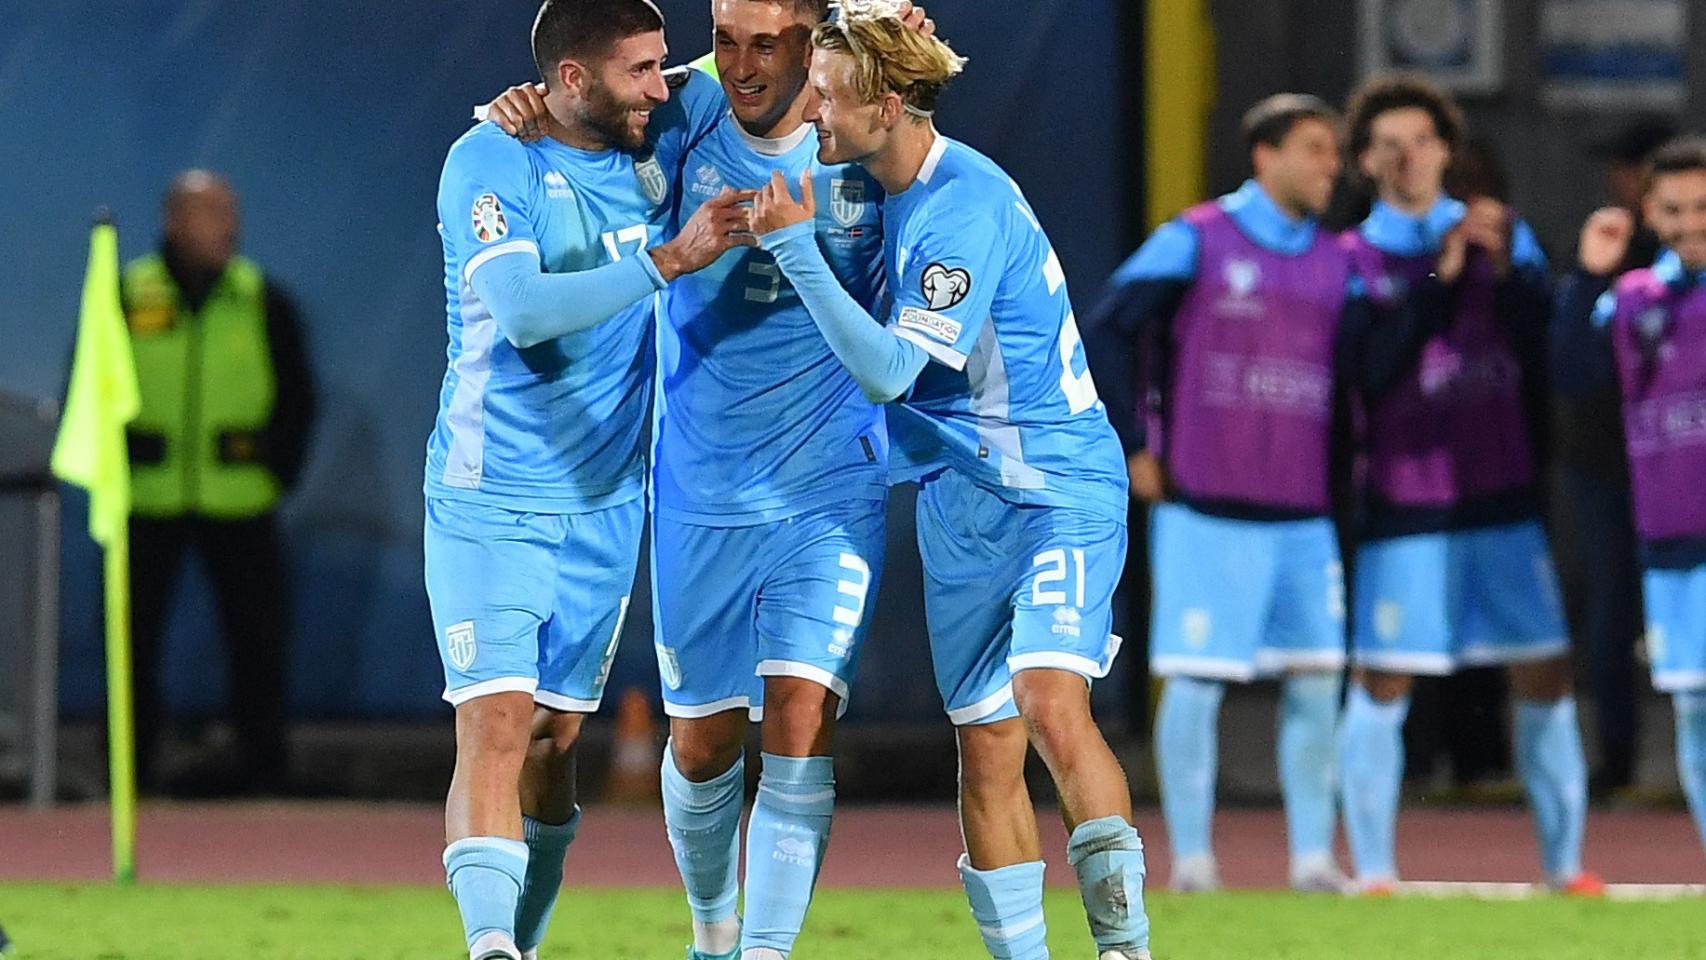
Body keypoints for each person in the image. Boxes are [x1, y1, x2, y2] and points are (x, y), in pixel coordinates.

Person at [750, 8, 1153, 958]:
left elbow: (891, 373)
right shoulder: (870, 179)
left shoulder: (961, 206)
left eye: (831, 96)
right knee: (984, 749)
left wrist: (798, 252)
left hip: (1053, 488)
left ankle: (1125, 950)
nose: (813, 111)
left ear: (888, 106)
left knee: (1053, 702)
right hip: (958, 501)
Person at [425, 2, 751, 958]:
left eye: (661, 67)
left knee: (553, 745)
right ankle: (489, 948)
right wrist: (670, 258)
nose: (663, 87)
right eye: (639, 71)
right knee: (495, 722)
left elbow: (758, 46)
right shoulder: (490, 160)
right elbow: (522, 311)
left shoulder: (654, 122)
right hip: (494, 492)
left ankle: (512, 940)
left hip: (607, 502)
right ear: (572, 80)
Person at [1084, 94, 1358, 894]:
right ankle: (1193, 862)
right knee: (1196, 683)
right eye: (1315, 149)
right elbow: (1105, 331)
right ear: (1265, 155)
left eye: (1334, 152)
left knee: (1315, 683)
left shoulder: (1337, 258)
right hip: (1206, 504)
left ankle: (1312, 859)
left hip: (1305, 510)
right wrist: (1134, 442)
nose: (1330, 166)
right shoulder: (1196, 238)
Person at [1334, 75, 1599, 895]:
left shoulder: (1504, 239)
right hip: (1405, 503)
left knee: (1545, 674)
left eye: (1422, 140)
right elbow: (1368, 373)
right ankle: (1374, 872)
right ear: (1366, 160)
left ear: (1449, 151)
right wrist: (1440, 282)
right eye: (1389, 144)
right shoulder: (1351, 257)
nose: (1407, 156)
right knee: (1384, 679)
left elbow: (1544, 356)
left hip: (1502, 494)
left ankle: (1566, 868)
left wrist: (1518, 276)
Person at [121, 169, 315, 796]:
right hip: (148, 497)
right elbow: (89, 387)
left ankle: (263, 770)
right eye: (213, 214)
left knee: (257, 643)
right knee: (131, 644)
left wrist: (275, 468)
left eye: (232, 212)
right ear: (174, 221)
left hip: (241, 499)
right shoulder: (126, 295)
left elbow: (298, 398)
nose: (229, 226)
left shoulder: (261, 298)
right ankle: (125, 769)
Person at [1554, 135, 1706, 855]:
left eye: (1704, 207)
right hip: (1673, 537)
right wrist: (1588, 278)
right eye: (1674, 209)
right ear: (1649, 211)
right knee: (1695, 710)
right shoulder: (1632, 295)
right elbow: (1575, 376)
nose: (1690, 223)